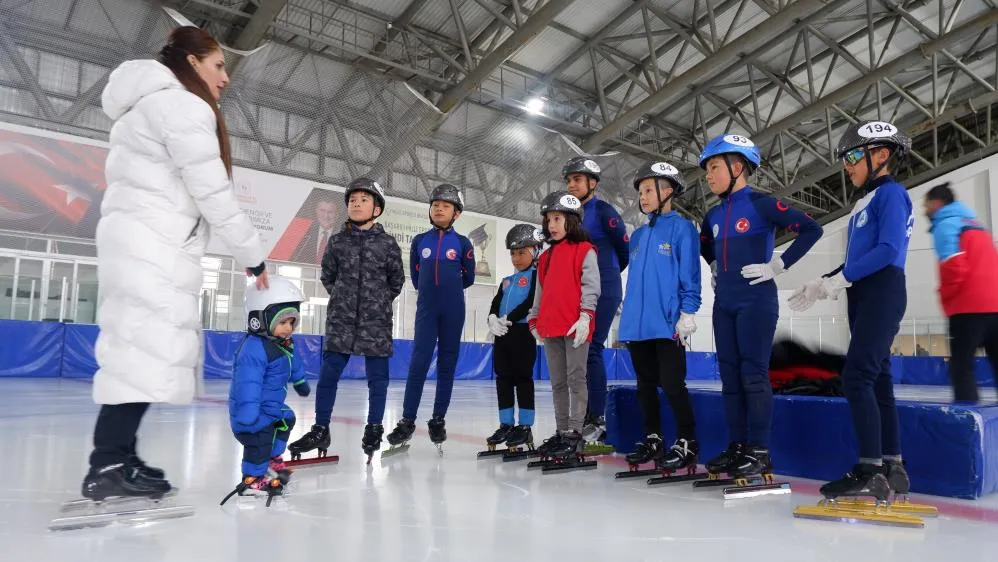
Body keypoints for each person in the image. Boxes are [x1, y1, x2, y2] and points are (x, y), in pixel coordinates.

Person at [82, 26, 268, 501]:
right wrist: (253, 256)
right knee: (143, 353)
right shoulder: (183, 107)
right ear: (191, 62)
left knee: (136, 352)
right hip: (154, 248)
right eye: (219, 65)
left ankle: (117, 454)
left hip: (138, 243)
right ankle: (107, 463)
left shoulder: (143, 108)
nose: (225, 77)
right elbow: (212, 193)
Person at [788, 120, 914, 501]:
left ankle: (869, 469)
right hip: (864, 292)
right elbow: (855, 258)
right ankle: (892, 466)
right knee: (877, 379)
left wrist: (837, 281)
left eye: (854, 156)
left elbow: (888, 251)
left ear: (881, 155)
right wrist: (824, 280)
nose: (848, 166)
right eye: (847, 158)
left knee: (857, 377)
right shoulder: (866, 201)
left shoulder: (891, 194)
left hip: (881, 289)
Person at [698, 133, 822, 481]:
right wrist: (713, 266)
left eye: (714, 167)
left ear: (738, 168)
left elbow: (811, 230)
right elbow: (705, 245)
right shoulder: (712, 215)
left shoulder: (763, 204)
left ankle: (760, 451)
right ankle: (738, 446)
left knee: (753, 374)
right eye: (707, 169)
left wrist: (778, 267)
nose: (708, 175)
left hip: (756, 298)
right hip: (725, 301)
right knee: (729, 377)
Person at [288, 178, 405, 462]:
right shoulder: (337, 242)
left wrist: (375, 303)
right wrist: (344, 298)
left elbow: (396, 281)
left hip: (375, 322)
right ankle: (320, 428)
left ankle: (374, 427)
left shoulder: (388, 244)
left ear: (377, 209)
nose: (356, 203)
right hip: (340, 321)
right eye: (353, 199)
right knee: (329, 377)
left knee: (378, 379)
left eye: (364, 199)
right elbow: (328, 276)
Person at [619, 162, 702, 471]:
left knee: (672, 383)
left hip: (667, 323)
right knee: (645, 385)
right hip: (637, 326)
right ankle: (653, 437)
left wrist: (688, 311)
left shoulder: (682, 228)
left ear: (668, 192)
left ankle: (687, 440)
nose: (643, 197)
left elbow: (689, 274)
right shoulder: (638, 235)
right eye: (640, 192)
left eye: (649, 190)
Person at [387, 184, 475, 450]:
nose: (438, 208)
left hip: (453, 309)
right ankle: (407, 420)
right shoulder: (419, 242)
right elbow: (416, 277)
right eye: (435, 204)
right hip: (426, 308)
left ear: (456, 213)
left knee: (447, 365)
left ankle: (438, 419)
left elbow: (468, 278)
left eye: (445, 205)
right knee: (419, 363)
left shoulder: (462, 243)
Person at [527, 191, 601, 458]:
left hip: (576, 326)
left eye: (557, 219)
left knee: (575, 379)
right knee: (557, 382)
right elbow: (540, 292)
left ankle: (575, 432)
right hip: (550, 327)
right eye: (548, 220)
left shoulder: (585, 250)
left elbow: (591, 286)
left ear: (572, 221)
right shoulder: (544, 258)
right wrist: (534, 319)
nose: (552, 225)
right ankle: (561, 432)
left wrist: (586, 316)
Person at [561, 157, 629, 444]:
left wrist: (607, 277)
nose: (571, 185)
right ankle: (582, 414)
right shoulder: (569, 217)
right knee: (577, 352)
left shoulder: (602, 211)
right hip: (579, 289)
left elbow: (623, 248)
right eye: (569, 180)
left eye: (577, 180)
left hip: (604, 285)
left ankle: (596, 417)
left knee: (591, 350)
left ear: (593, 183)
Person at [225, 276, 311, 501]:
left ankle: (272, 459)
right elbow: (247, 383)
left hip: (270, 408)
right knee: (260, 438)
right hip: (251, 412)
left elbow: (294, 363)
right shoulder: (253, 349)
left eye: (292, 322)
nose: (289, 328)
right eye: (283, 322)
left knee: (287, 419)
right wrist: (247, 413)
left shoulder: (282, 345)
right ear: (259, 319)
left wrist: (300, 381)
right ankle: (251, 479)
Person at [924, 182, 998, 403]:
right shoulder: (977, 226)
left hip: (967, 309)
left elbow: (953, 267)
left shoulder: (945, 225)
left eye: (926, 205)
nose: (924, 211)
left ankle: (968, 421)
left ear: (937, 204)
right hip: (995, 306)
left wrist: (945, 298)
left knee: (961, 367)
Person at [484, 224, 545, 451]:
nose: (516, 258)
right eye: (513, 253)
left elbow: (531, 302)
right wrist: (492, 318)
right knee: (503, 379)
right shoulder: (506, 280)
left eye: (522, 253)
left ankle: (525, 426)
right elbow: (495, 302)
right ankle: (506, 423)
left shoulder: (537, 277)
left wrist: (508, 318)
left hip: (522, 332)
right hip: (502, 334)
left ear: (535, 252)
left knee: (523, 378)